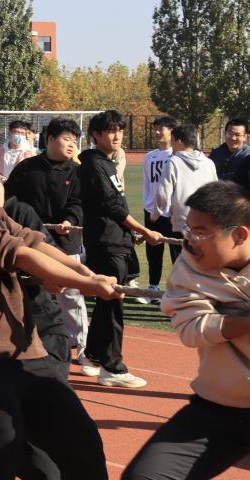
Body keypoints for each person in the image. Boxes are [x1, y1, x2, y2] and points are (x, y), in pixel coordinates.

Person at [0, 133, 119, 480]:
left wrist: (83, 271)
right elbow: (19, 254)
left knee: (80, 439)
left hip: (24, 355)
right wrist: (86, 286)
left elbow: (34, 243)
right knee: (4, 435)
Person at [123, 181, 250, 480]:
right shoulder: (188, 268)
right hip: (220, 408)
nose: (190, 241)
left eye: (201, 232)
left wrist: (228, 316)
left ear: (239, 235)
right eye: (188, 229)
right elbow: (193, 329)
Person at [78, 110, 163, 388]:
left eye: (120, 130)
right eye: (110, 131)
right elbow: (111, 206)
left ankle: (93, 355)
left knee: (108, 301)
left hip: (116, 240)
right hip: (107, 244)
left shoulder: (107, 163)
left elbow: (116, 205)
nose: (117, 136)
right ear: (96, 135)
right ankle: (112, 368)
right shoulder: (94, 165)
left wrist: (131, 232)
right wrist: (144, 230)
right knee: (113, 303)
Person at [0, 155, 73, 383]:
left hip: (39, 317)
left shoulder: (20, 212)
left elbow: (45, 249)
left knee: (55, 388)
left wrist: (78, 275)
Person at [5, 118, 88, 361]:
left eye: (75, 141)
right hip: (29, 242)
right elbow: (10, 200)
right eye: (66, 139)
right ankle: (28, 344)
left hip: (65, 242)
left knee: (70, 295)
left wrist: (70, 221)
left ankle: (83, 347)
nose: (71, 145)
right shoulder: (26, 168)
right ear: (50, 139)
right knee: (29, 293)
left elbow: (78, 203)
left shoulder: (77, 171)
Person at [151, 124, 218, 256]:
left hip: (182, 223)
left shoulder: (174, 162)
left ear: (179, 141)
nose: (171, 146)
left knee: (182, 262)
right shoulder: (209, 163)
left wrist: (156, 214)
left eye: (172, 141)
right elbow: (216, 192)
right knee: (202, 260)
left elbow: (163, 193)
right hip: (205, 222)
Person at [143, 116, 181, 292]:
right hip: (152, 212)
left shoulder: (178, 156)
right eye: (155, 129)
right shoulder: (149, 157)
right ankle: (153, 287)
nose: (157, 132)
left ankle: (179, 289)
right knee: (153, 252)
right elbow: (147, 184)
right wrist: (147, 206)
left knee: (177, 253)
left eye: (161, 129)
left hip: (173, 213)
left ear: (171, 132)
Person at [208, 118, 250, 188]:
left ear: (245, 137)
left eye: (237, 135)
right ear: (224, 134)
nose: (233, 138)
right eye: (230, 133)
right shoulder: (216, 153)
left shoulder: (248, 157)